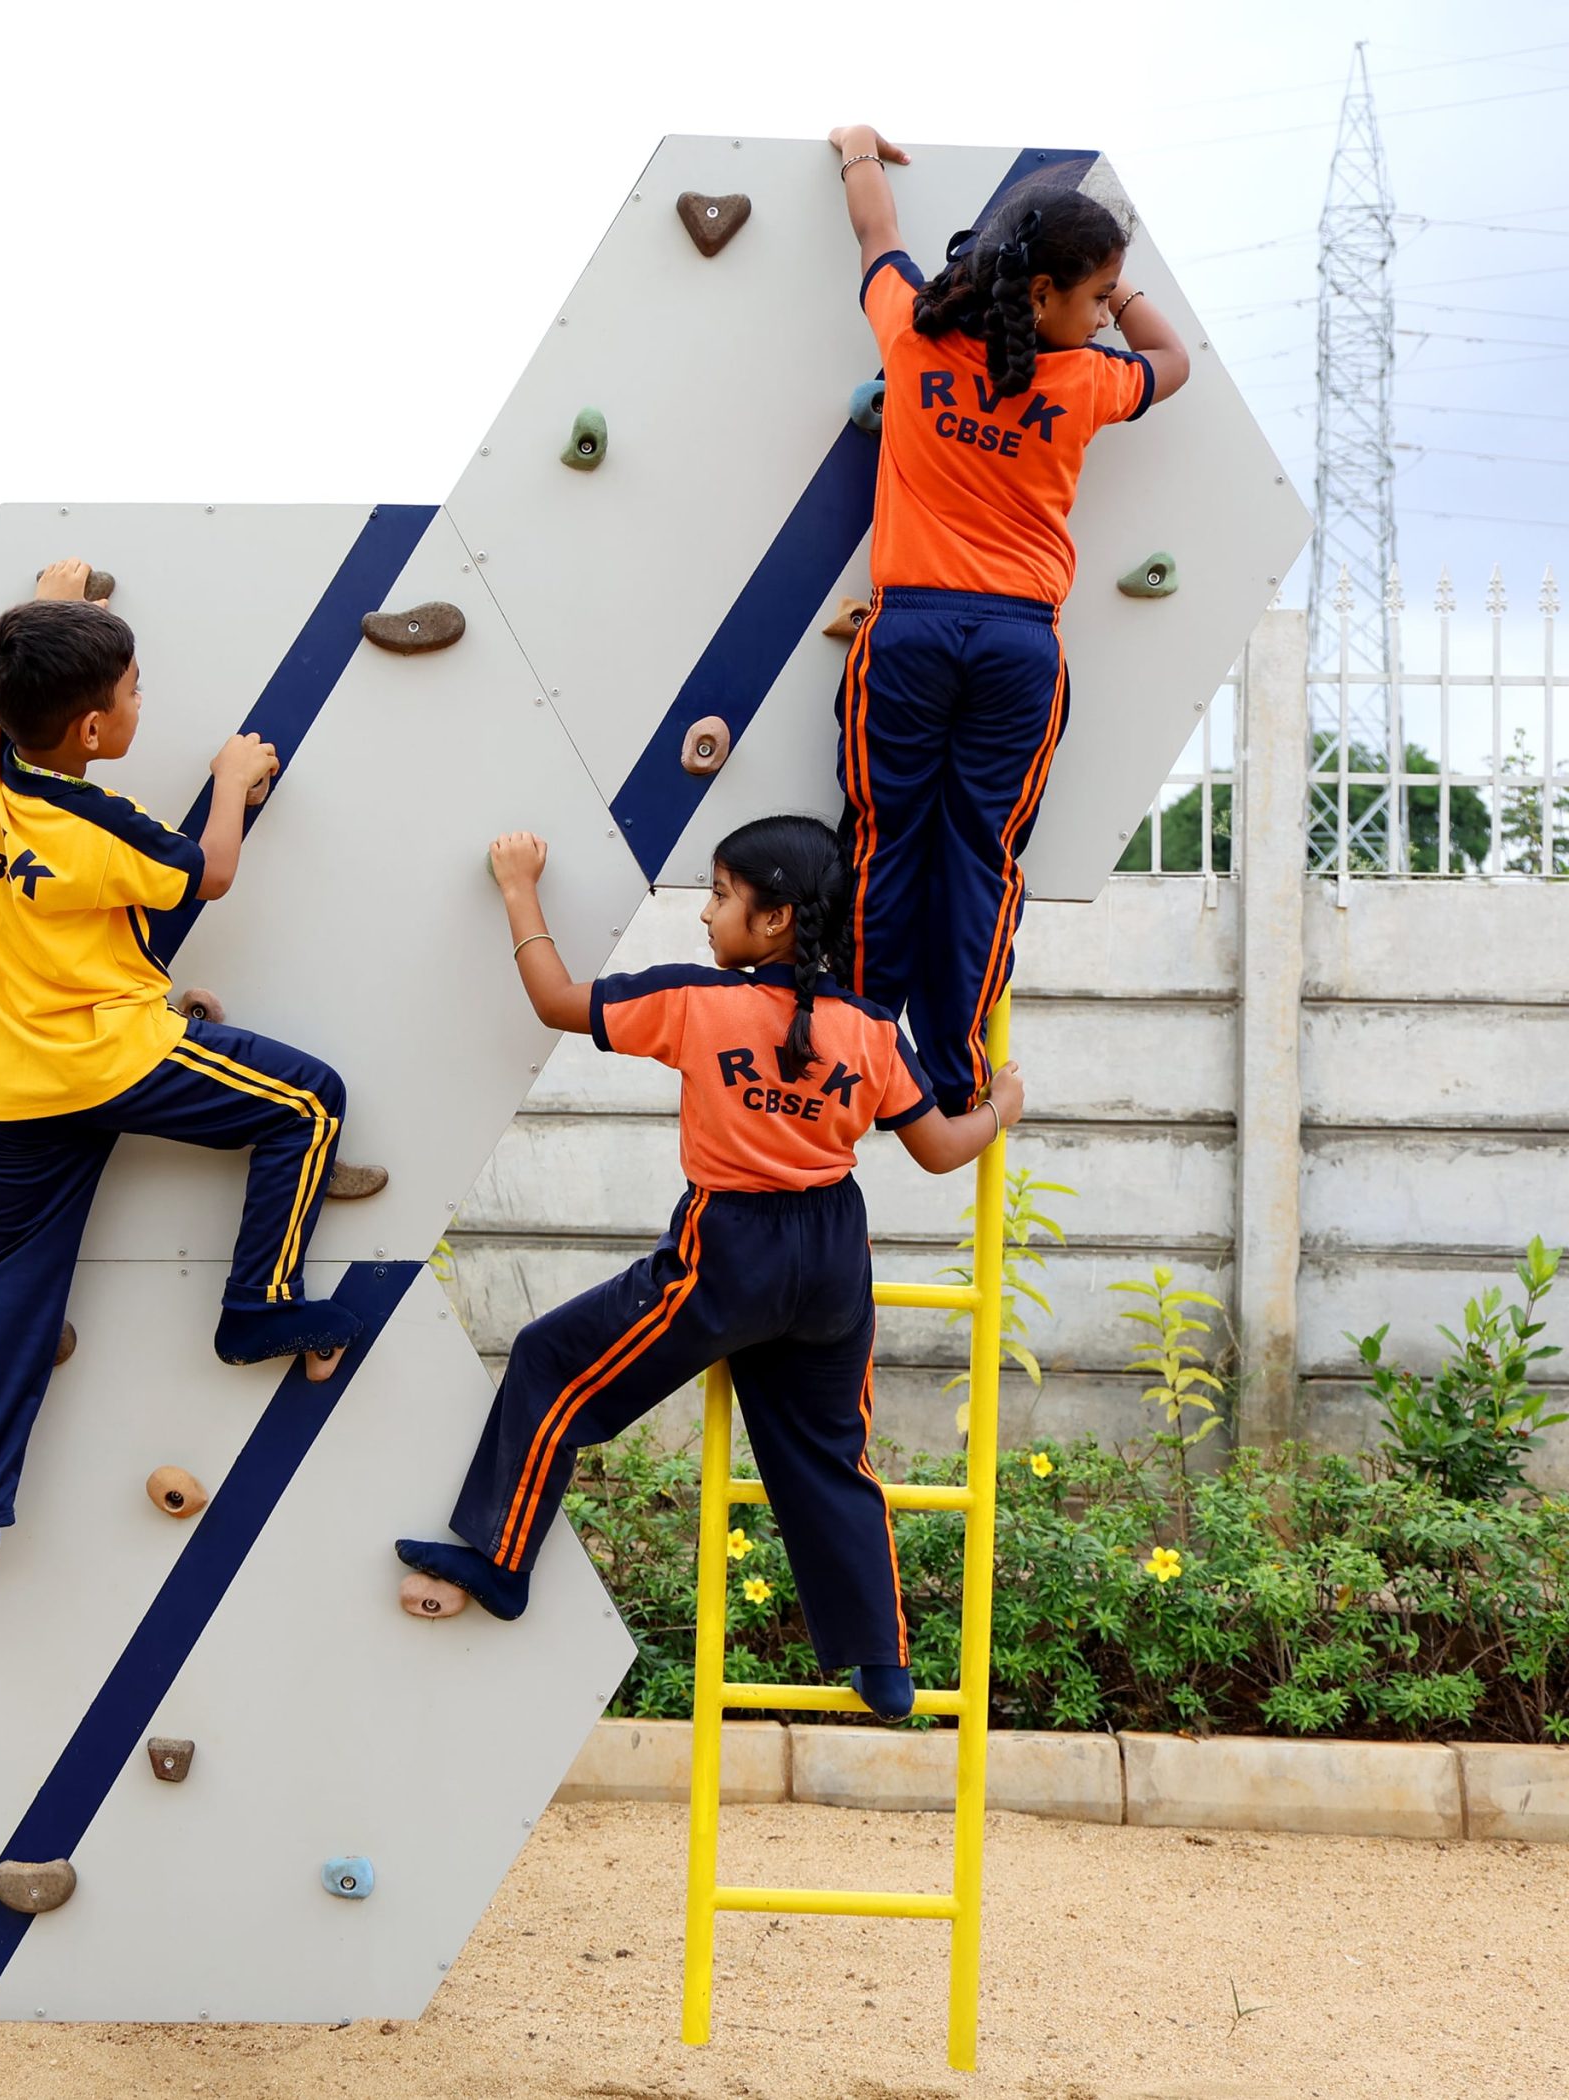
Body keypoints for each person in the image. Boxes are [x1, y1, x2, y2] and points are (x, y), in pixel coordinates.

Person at [395, 815, 1018, 1718]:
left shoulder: (698, 1001)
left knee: (551, 1363)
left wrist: (519, 887)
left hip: (729, 1250)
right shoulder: (872, 1028)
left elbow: (556, 1000)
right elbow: (940, 1150)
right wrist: (1002, 1108)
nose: (705, 914)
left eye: (721, 896)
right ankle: (880, 1662)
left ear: (775, 919)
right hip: (834, 1257)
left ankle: (498, 1561)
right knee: (828, 1455)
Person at [0, 563, 384, 1606]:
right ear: (90, 730)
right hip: (111, 1059)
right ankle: (257, 1305)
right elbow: (209, 872)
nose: (139, 702)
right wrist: (231, 777)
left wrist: (48, 614)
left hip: (6, 1085)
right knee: (309, 1102)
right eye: (131, 693)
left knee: (7, 1296)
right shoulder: (97, 825)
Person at [827, 122, 1190, 1115]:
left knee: (882, 843)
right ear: (1042, 294)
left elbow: (876, 236)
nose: (1105, 314)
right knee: (976, 857)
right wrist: (1124, 286)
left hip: (906, 636)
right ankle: (954, 1075)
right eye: (1095, 295)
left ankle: (855, 1056)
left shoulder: (912, 336)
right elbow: (1172, 359)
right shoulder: (1088, 381)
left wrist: (857, 148)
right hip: (1017, 646)